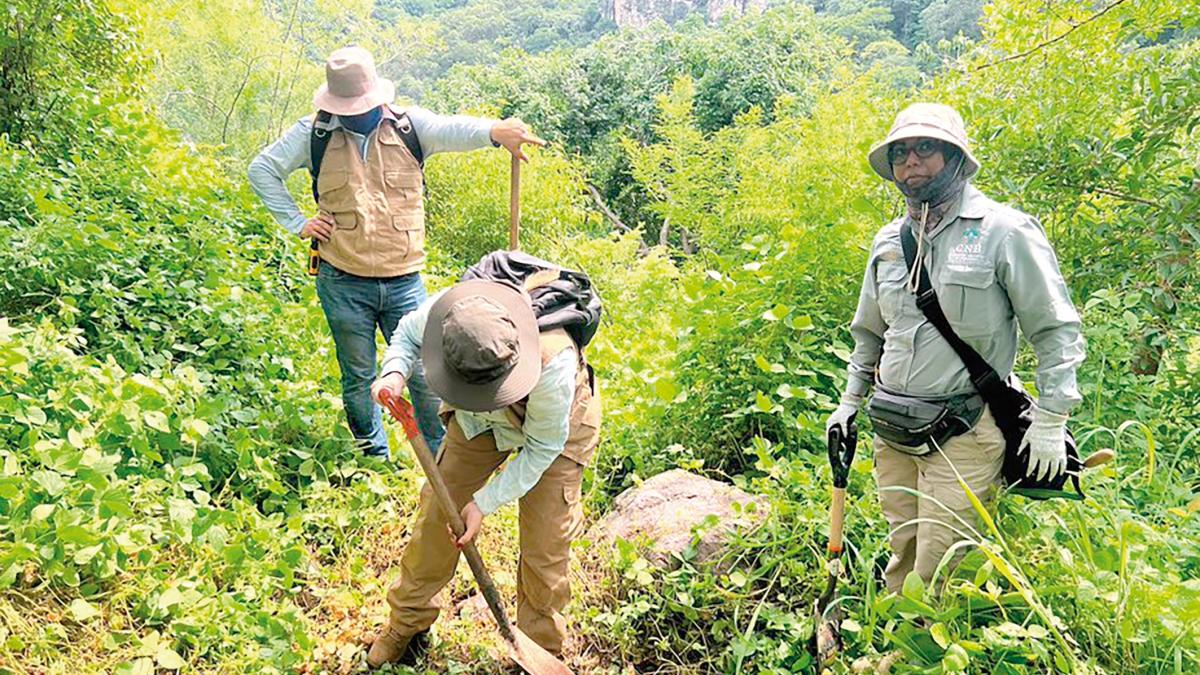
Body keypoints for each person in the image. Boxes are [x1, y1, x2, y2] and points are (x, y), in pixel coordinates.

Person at [827, 103, 1085, 592]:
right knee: (902, 545)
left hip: (964, 430)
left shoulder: (1004, 232)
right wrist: (848, 401)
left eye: (926, 148)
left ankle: (916, 657)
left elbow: (1055, 330)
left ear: (955, 157)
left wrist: (1052, 418)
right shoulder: (888, 242)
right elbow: (870, 333)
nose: (911, 162)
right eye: (901, 152)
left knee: (940, 564)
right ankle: (892, 641)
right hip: (894, 429)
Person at [248, 45, 545, 457]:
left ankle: (441, 455)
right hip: (341, 277)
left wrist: (496, 132)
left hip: (404, 278)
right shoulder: (313, 133)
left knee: (425, 372)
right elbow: (262, 170)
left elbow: (451, 129)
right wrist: (299, 223)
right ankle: (373, 455)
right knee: (358, 373)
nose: (353, 111)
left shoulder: (409, 127)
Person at [364, 276, 601, 668]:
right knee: (436, 516)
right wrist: (394, 372)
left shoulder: (551, 362)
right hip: (479, 424)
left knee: (545, 546)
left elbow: (542, 447)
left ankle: (540, 650)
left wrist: (483, 503)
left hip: (554, 434)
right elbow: (406, 332)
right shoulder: (449, 316)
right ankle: (407, 625)